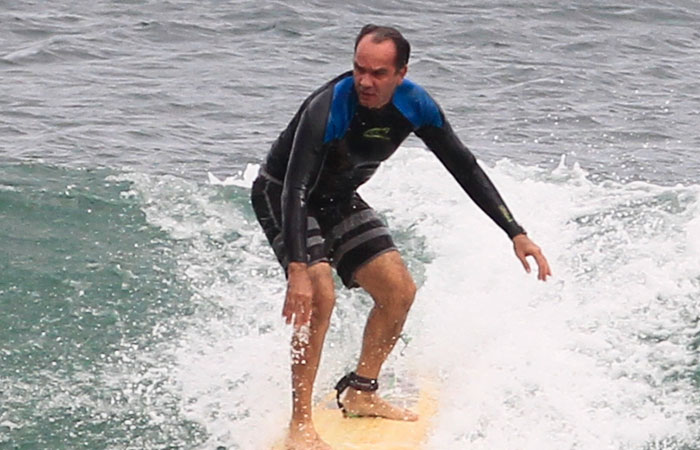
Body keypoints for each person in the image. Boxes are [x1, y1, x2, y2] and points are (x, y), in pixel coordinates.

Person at [251, 24, 551, 450]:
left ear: (401, 73)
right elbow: (296, 188)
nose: (365, 82)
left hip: (337, 197)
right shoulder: (328, 108)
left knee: (399, 291)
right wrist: (298, 270)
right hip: (283, 194)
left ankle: (361, 390)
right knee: (320, 295)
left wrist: (515, 231)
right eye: (359, 70)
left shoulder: (416, 105)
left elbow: (464, 167)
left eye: (377, 73)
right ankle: (300, 425)